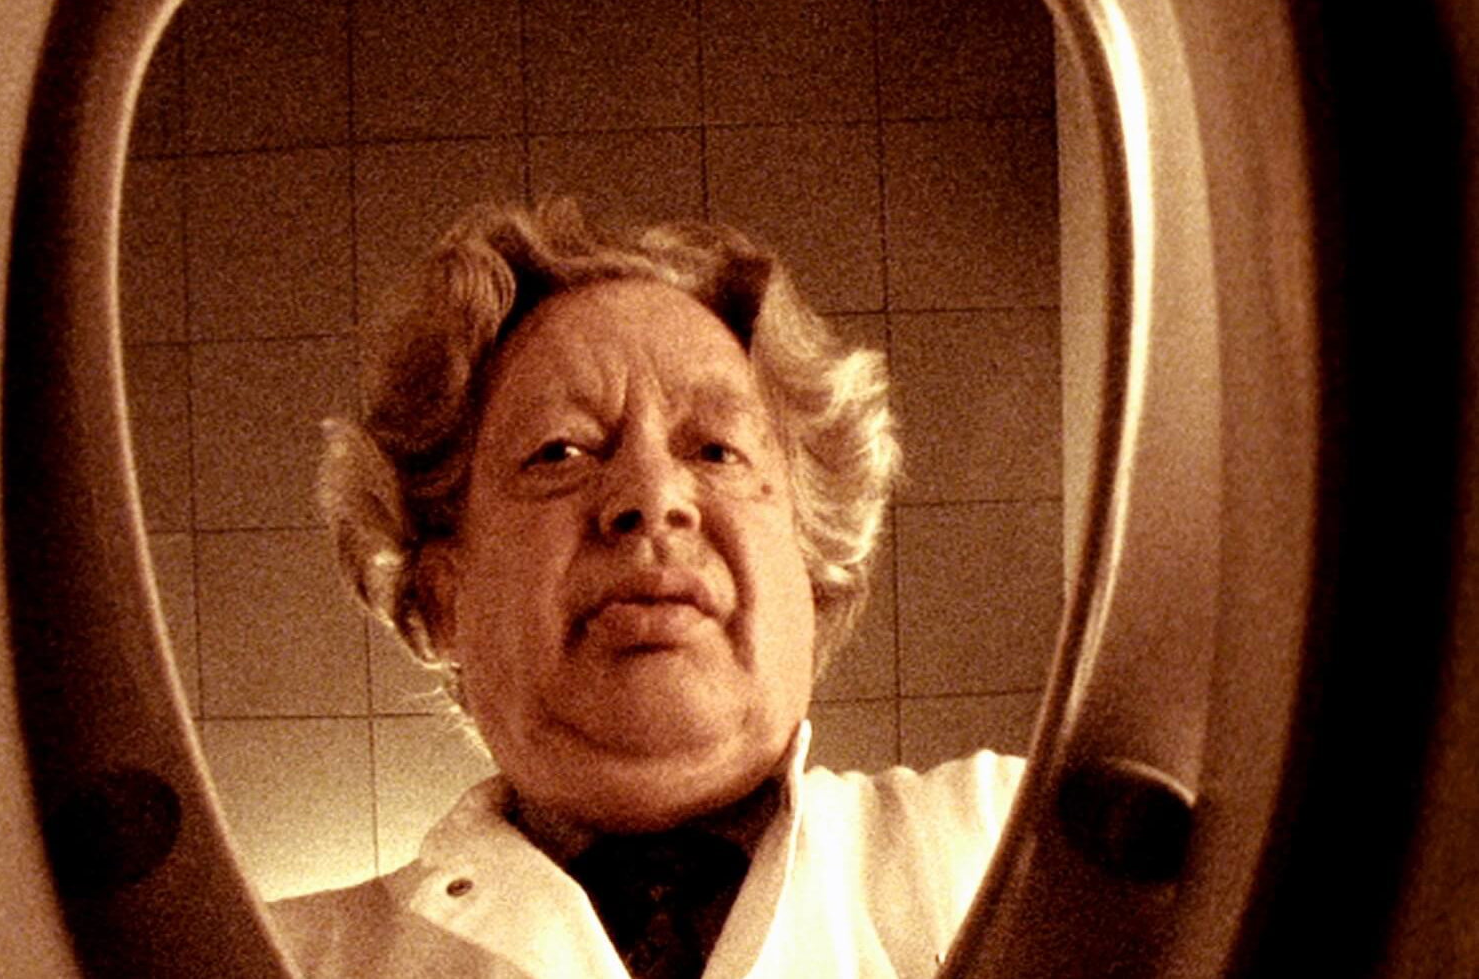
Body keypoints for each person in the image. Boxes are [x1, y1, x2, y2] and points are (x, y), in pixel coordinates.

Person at [271, 199, 1024, 978]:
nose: (652, 494)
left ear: (810, 567)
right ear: (443, 601)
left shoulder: (1016, 838)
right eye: (559, 451)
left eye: (716, 450)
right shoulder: (269, 957)